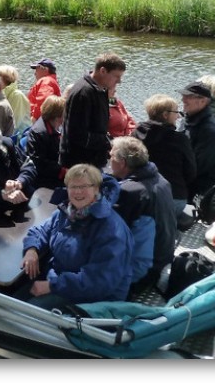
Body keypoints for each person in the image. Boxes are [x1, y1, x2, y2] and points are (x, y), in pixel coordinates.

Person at [19, 164, 133, 310]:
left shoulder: (111, 229)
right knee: (10, 300)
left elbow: (99, 282)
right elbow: (40, 230)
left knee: (24, 313)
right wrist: (31, 249)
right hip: (58, 282)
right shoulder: (67, 212)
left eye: (84, 186)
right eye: (73, 187)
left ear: (97, 189)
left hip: (92, 300)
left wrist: (52, 286)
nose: (77, 192)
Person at [108, 136, 177, 290]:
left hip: (139, 273)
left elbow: (108, 232)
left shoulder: (129, 192)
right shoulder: (162, 181)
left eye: (111, 156)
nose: (109, 160)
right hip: (162, 260)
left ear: (122, 162)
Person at [132, 94, 196, 218]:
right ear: (165, 115)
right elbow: (191, 172)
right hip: (173, 198)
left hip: (141, 195)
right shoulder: (179, 139)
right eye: (176, 112)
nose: (178, 116)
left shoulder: (135, 134)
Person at [59, 52, 127, 169]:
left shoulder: (101, 89)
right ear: (103, 71)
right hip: (80, 162)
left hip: (94, 159)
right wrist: (108, 142)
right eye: (116, 76)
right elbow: (77, 135)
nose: (119, 81)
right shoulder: (83, 93)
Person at [178, 81, 215, 197]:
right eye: (183, 96)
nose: (183, 100)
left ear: (203, 101)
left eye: (188, 96)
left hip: (200, 191)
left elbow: (197, 168)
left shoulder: (209, 131)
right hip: (186, 182)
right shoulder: (188, 119)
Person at [16, 95, 67, 190]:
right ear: (57, 116)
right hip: (43, 179)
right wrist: (63, 170)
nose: (64, 119)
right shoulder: (39, 133)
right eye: (63, 115)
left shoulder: (51, 127)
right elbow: (39, 164)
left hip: (53, 172)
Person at [0, 64, 32, 134]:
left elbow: (15, 123)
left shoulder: (17, 95)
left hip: (19, 136)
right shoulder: (1, 93)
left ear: (5, 79)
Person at [27, 58, 61, 122]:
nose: (35, 73)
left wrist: (34, 118)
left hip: (39, 122)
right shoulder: (51, 81)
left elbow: (43, 100)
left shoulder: (46, 81)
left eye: (37, 69)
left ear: (45, 69)